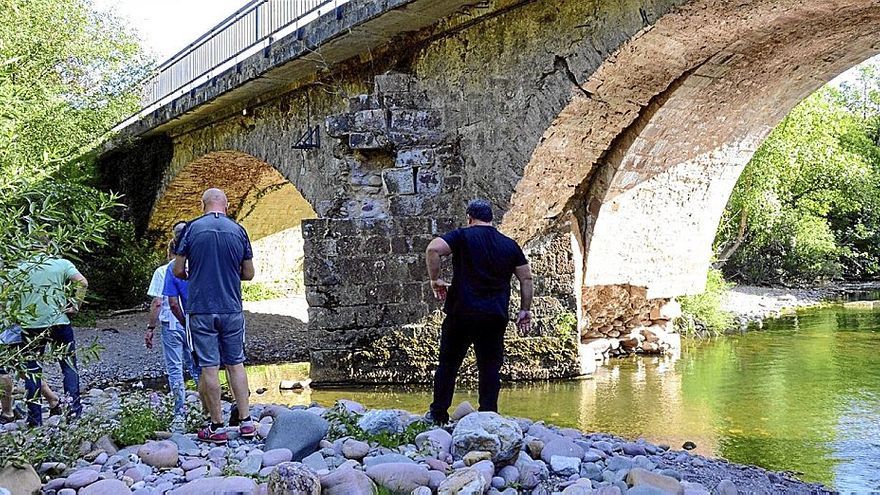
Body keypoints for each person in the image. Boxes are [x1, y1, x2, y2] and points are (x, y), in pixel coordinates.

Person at [424, 199, 534, 425]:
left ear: (469, 218)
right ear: (491, 219)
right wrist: (525, 310)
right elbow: (526, 278)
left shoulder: (462, 236)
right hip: (494, 316)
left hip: (462, 312)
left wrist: (435, 279)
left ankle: (438, 415)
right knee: (490, 367)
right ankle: (488, 414)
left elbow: (433, 249)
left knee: (448, 364)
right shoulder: (509, 245)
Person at [173, 188, 256, 443]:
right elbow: (249, 273)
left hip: (201, 308)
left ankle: (217, 426)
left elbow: (177, 270)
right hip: (231, 306)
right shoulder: (238, 230)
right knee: (236, 363)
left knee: (209, 367)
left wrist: (193, 275)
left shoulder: (191, 229)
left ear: (203, 205)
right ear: (227, 205)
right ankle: (246, 421)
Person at [16, 252, 88, 426]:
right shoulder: (61, 264)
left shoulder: (19, 268)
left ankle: (35, 419)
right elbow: (82, 282)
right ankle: (73, 413)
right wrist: (76, 305)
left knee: (32, 370)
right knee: (69, 367)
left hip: (30, 325)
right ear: (48, 247)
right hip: (59, 321)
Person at [146, 221, 200, 428]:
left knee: (175, 368)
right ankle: (209, 407)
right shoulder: (197, 265)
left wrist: (150, 328)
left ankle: (180, 412)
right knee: (197, 366)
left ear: (170, 252)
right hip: (194, 322)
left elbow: (158, 302)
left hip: (172, 324)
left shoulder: (164, 271)